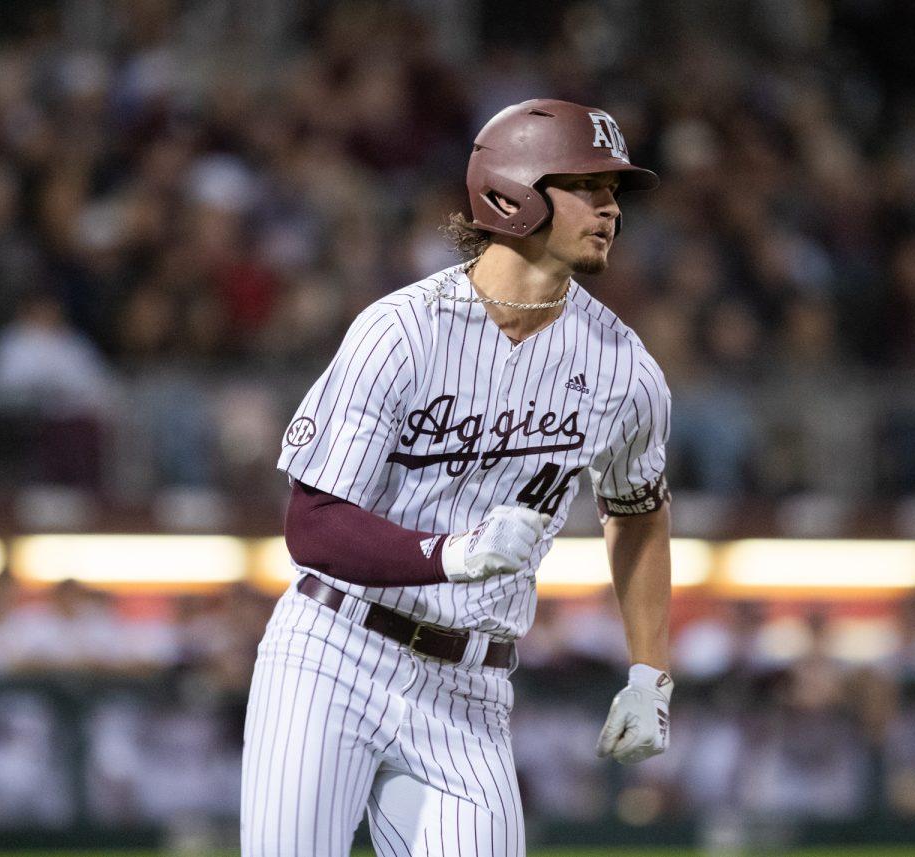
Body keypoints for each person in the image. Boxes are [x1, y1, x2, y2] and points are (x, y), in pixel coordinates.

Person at [241, 99, 673, 856]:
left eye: (615, 193)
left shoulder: (624, 367)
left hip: (472, 687)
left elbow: (637, 509)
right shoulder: (402, 330)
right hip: (335, 650)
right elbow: (311, 525)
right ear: (512, 193)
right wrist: (452, 553)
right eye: (587, 186)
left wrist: (650, 671)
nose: (610, 209)